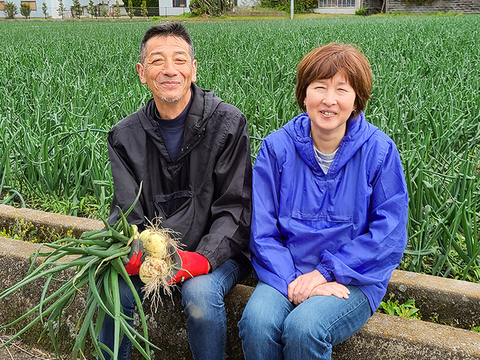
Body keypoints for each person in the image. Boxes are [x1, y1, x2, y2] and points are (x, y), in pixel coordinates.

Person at [238, 42, 408, 359]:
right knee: (257, 323)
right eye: (319, 88)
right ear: (304, 95)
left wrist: (325, 273)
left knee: (305, 328)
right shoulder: (277, 148)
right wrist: (295, 281)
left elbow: (389, 235)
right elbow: (261, 229)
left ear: (357, 100)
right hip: (284, 272)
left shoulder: (379, 151)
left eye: (342, 90)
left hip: (354, 276)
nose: (329, 100)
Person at [99, 22, 252, 360]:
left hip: (215, 253)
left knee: (200, 296)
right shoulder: (124, 136)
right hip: (154, 258)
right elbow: (126, 208)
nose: (170, 70)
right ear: (142, 72)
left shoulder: (227, 123)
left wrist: (202, 258)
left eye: (180, 60)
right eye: (157, 61)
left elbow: (235, 207)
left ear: (193, 70)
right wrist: (133, 249)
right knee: (113, 290)